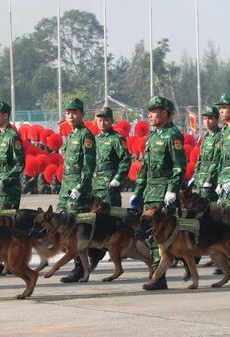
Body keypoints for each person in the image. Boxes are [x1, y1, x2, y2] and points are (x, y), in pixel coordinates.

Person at [130, 96, 186, 291]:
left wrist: (172, 190)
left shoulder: (173, 135)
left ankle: (158, 278)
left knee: (162, 236)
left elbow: (179, 167)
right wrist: (137, 192)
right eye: (149, 112)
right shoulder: (152, 137)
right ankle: (157, 274)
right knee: (150, 236)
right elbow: (144, 168)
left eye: (153, 111)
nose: (150, 115)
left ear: (165, 113)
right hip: (150, 192)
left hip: (164, 193)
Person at [56, 98, 98, 283]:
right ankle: (95, 252)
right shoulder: (71, 135)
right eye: (68, 113)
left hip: (78, 189)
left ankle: (79, 268)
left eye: (75, 112)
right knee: (62, 226)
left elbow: (89, 166)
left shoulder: (85, 135)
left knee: (74, 230)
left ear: (82, 114)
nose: (71, 116)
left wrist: (80, 188)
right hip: (67, 187)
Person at [0, 101, 25, 210]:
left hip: (9, 188)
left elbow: (20, 164)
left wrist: (5, 180)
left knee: (4, 221)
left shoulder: (13, 136)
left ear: (5, 116)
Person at [93, 107, 131, 207]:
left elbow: (125, 160)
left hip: (109, 185)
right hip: (95, 185)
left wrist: (118, 178)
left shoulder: (116, 139)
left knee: (111, 216)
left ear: (112, 121)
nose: (102, 123)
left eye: (106, 120)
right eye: (100, 120)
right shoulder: (95, 139)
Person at [190, 106, 222, 202]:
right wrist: (194, 176)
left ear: (217, 119)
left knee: (209, 209)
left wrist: (209, 180)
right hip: (201, 179)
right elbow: (200, 160)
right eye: (204, 118)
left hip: (212, 181)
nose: (207, 121)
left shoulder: (219, 136)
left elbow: (216, 160)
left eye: (210, 118)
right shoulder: (206, 137)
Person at [215, 94, 230, 208]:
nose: (221, 111)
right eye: (220, 108)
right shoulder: (224, 130)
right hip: (224, 180)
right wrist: (219, 181)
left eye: (224, 107)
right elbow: (222, 160)